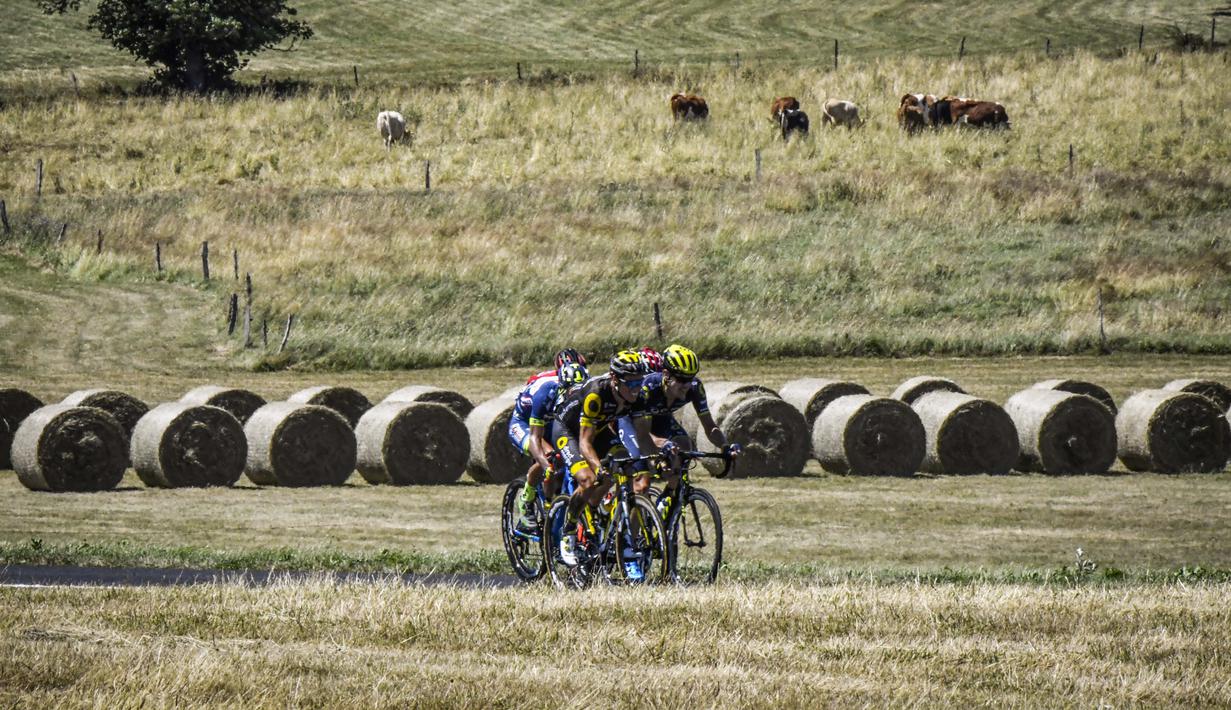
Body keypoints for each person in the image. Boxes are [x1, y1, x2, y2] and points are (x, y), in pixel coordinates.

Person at [617, 344, 740, 516]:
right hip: (632, 422)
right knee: (642, 484)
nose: (687, 385)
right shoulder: (649, 388)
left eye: (690, 379)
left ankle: (667, 506)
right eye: (682, 380)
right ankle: (633, 540)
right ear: (666, 375)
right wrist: (662, 446)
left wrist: (725, 446)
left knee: (684, 445)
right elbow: (643, 434)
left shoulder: (695, 388)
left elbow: (710, 427)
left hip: (661, 417)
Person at [550, 349, 648, 564]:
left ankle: (598, 511)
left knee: (628, 468)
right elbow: (585, 443)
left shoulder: (638, 396)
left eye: (639, 382)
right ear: (614, 379)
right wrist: (598, 466)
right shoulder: (596, 393)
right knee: (588, 479)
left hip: (600, 430)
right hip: (568, 431)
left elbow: (642, 436)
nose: (636, 388)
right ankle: (569, 529)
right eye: (630, 384)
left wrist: (652, 460)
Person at [508, 351, 588, 536]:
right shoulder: (545, 389)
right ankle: (526, 502)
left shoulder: (582, 381)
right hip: (525, 423)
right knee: (549, 457)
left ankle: (557, 505)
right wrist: (546, 462)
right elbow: (536, 437)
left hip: (554, 421)